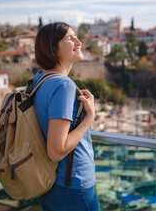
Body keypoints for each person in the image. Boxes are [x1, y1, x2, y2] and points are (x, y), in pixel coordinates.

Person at [33, 22, 100, 211]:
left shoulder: (38, 80)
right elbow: (56, 150)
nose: (79, 42)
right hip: (72, 185)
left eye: (76, 36)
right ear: (53, 48)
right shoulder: (63, 85)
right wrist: (89, 118)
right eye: (70, 38)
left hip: (48, 182)